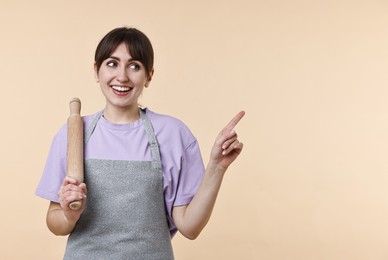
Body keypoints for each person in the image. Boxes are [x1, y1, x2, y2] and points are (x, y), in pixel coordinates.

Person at [35, 27, 245, 259]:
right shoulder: (72, 134)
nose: (122, 76)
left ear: (149, 76)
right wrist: (68, 215)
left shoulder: (172, 134)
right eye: (112, 63)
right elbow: (54, 222)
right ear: (97, 70)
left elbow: (190, 227)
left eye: (134, 66)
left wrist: (217, 166)